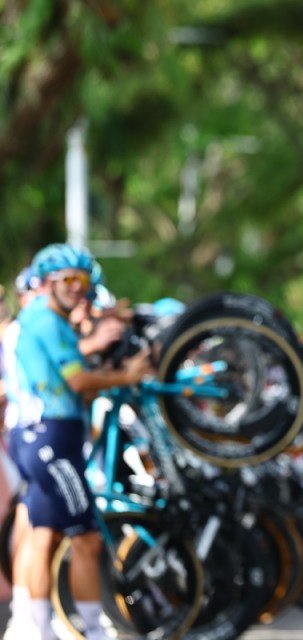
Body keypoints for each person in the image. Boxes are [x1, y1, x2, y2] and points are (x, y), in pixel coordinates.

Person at [11, 243, 151, 640]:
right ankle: (94, 630)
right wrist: (127, 376)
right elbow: (79, 382)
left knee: (44, 537)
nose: (76, 288)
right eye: (67, 280)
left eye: (82, 280)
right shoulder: (46, 321)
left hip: (45, 438)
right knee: (87, 539)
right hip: (51, 439)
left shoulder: (47, 318)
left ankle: (31, 627)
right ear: (47, 283)